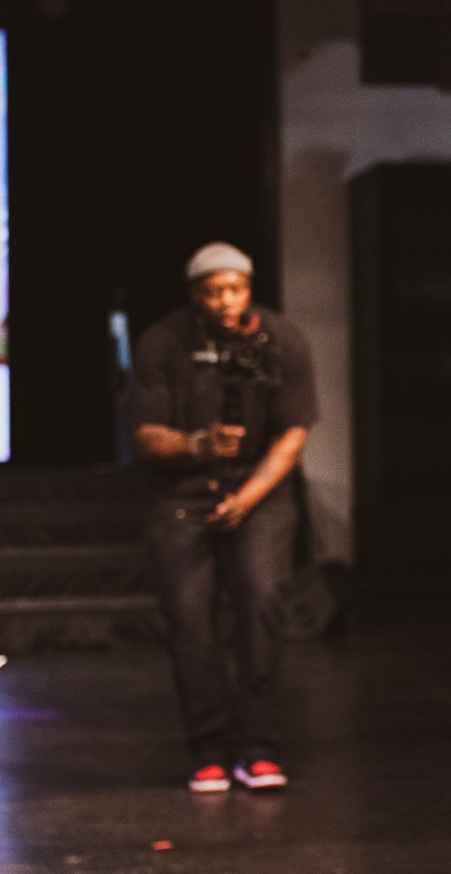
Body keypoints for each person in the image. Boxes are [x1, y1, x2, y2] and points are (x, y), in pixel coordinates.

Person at [130, 243, 315, 794]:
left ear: (249, 288)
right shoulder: (163, 342)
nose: (227, 301)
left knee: (261, 603)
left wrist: (248, 497)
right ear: (195, 295)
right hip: (181, 491)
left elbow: (293, 433)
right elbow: (145, 434)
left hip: (259, 490)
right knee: (190, 618)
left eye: (236, 289)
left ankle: (259, 748)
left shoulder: (282, 339)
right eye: (214, 292)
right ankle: (208, 748)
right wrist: (197, 444)